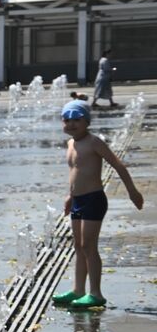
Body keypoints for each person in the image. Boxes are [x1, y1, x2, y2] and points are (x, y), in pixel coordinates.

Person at [51, 99, 143, 310]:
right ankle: (77, 290)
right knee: (78, 246)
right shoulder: (71, 144)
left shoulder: (94, 142)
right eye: (67, 120)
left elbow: (118, 165)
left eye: (77, 120)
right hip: (78, 201)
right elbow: (75, 173)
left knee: (88, 246)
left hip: (94, 199)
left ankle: (96, 293)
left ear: (87, 122)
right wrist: (70, 196)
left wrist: (132, 191)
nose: (71, 124)